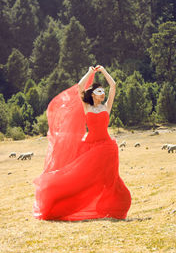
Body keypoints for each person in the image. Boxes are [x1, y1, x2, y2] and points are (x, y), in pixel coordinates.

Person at [33, 65, 131, 221]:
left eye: (103, 91)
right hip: (91, 147)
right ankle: (65, 204)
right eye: (99, 91)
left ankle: (112, 207)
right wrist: (90, 72)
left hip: (107, 147)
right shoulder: (87, 107)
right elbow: (79, 87)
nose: (103, 93)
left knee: (110, 180)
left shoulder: (106, 107)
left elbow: (113, 85)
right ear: (92, 95)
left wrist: (104, 71)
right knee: (84, 181)